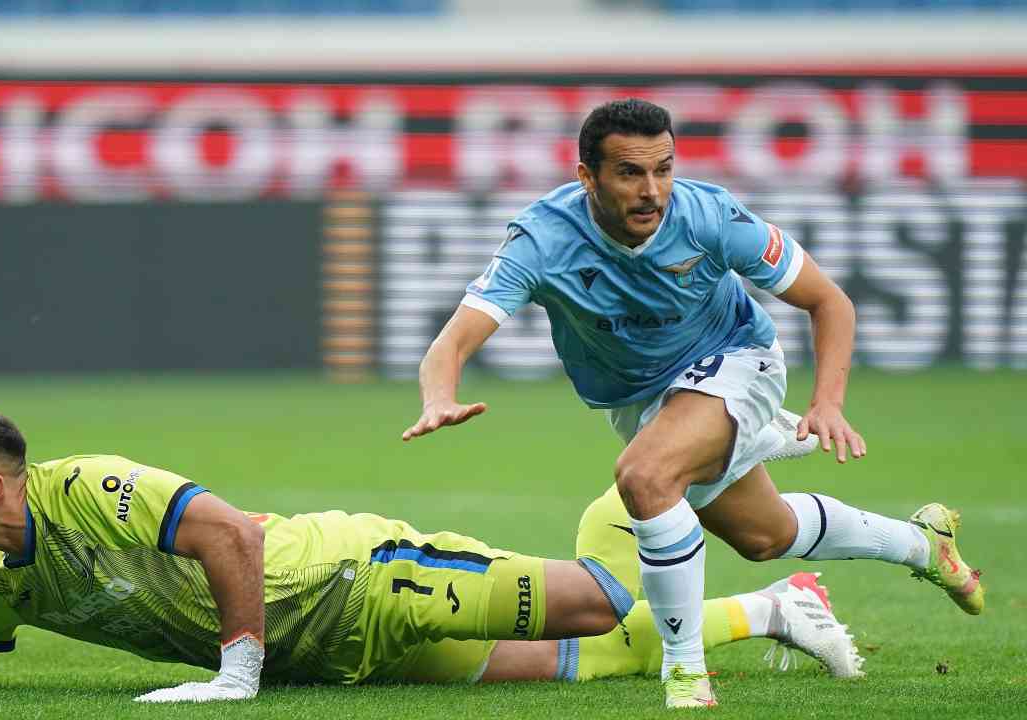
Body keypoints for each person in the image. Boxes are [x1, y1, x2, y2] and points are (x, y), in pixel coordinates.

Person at [400, 98, 983, 708]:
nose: (652, 190)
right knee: (766, 536)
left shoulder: (711, 217)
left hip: (738, 359)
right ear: (586, 177)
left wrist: (828, 402)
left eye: (664, 168)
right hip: (641, 401)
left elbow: (830, 301)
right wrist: (439, 397)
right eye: (630, 173)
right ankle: (924, 545)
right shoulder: (541, 239)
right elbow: (452, 342)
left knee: (646, 477)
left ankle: (685, 674)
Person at [0, 408, 860, 700]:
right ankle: (772, 610)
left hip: (352, 577)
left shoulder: (87, 486)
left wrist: (233, 672)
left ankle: (676, 463)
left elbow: (231, 532)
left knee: (602, 598)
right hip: (326, 656)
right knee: (591, 665)